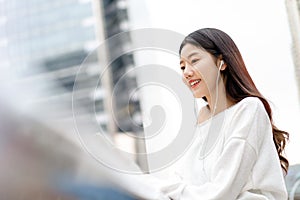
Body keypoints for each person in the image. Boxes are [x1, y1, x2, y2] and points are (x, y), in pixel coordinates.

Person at [149, 28, 289, 200]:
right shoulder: (201, 119)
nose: (186, 72)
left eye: (194, 61)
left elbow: (221, 192)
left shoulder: (249, 109)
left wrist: (166, 189)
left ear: (222, 62)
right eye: (182, 66)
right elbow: (184, 179)